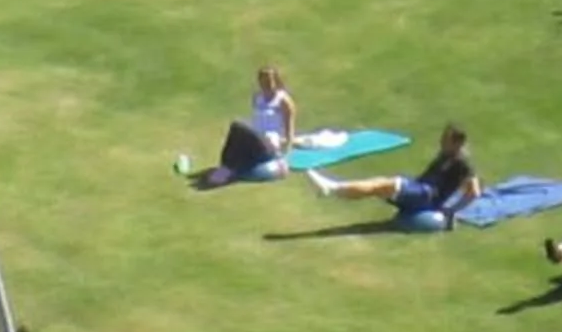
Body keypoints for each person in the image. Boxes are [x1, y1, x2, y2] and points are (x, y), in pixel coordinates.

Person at [309, 122, 481, 218]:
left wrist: (452, 210)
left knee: (382, 185)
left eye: (446, 139)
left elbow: (474, 192)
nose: (441, 141)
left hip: (426, 197)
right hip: (419, 190)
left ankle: (331, 188)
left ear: (457, 143)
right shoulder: (445, 154)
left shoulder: (462, 163)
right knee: (378, 183)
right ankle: (332, 188)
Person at [191, 65, 297, 187]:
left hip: (270, 143)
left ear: (276, 81)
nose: (265, 84)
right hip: (256, 139)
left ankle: (225, 170)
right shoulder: (257, 97)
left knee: (237, 126)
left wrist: (286, 156)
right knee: (237, 133)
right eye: (262, 81)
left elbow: (290, 129)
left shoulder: (284, 101)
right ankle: (225, 167)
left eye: (269, 81)